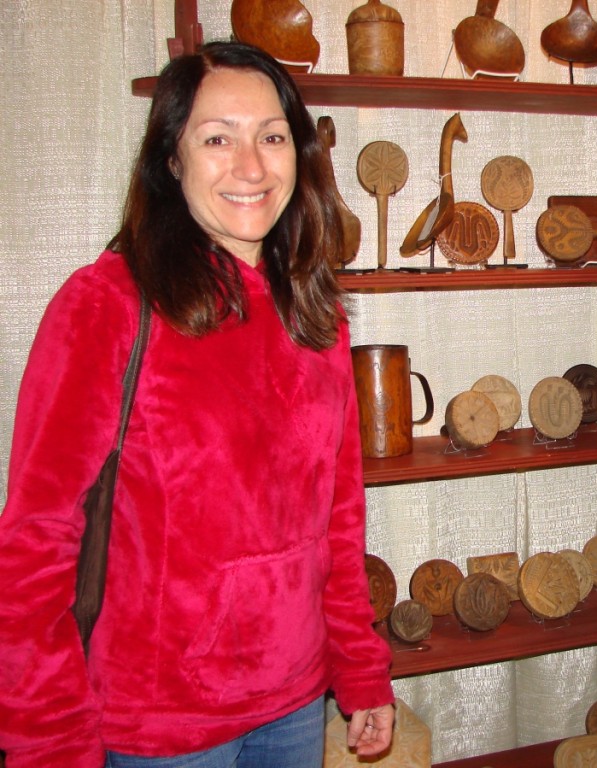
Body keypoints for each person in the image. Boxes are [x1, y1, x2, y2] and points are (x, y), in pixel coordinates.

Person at [0, 41, 394, 767]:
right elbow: (35, 544)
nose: (251, 166)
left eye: (272, 137)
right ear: (171, 159)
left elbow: (338, 517)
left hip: (297, 703)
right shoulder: (109, 304)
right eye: (218, 138)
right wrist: (46, 737)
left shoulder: (316, 312)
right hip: (160, 727)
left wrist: (359, 664)